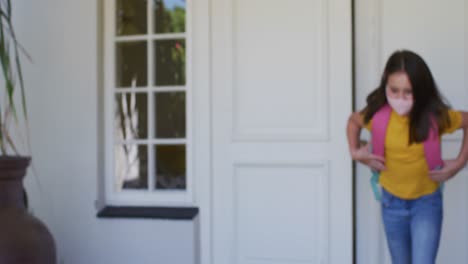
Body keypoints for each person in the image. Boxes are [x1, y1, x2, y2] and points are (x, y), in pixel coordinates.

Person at [346, 50, 468, 264]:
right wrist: (356, 153)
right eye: (394, 90)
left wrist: (459, 163)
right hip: (391, 203)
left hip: (426, 204)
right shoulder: (375, 116)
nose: (400, 99)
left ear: (421, 90)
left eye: (408, 92)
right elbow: (353, 122)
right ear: (385, 84)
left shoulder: (437, 117)